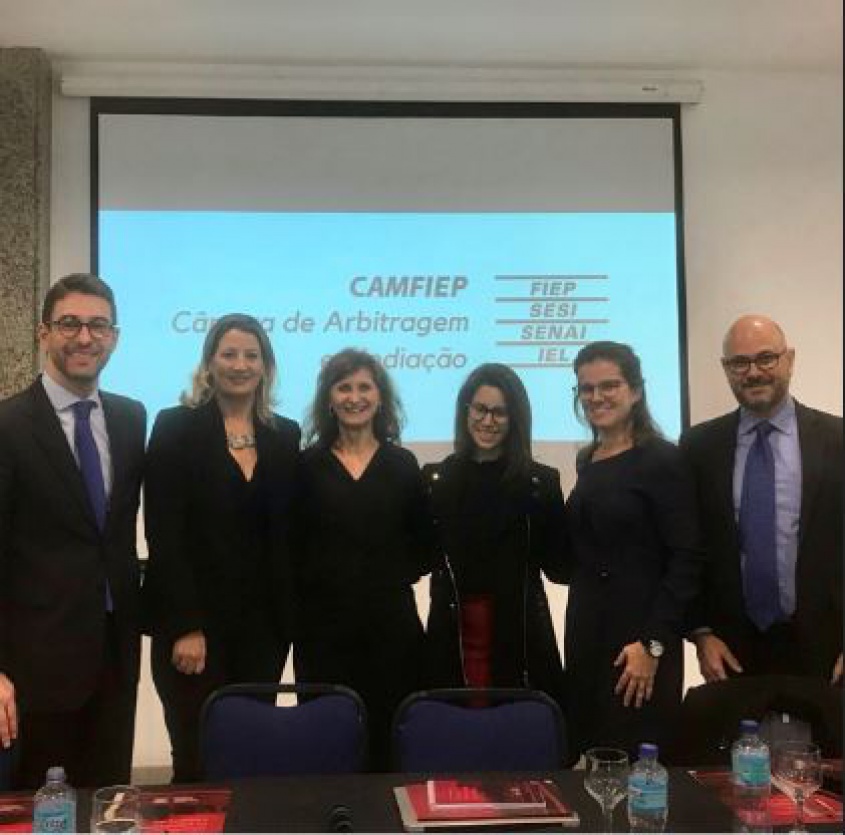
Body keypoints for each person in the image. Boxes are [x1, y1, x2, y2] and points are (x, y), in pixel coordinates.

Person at [0, 273, 146, 789]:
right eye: (69, 324)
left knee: (109, 801)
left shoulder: (131, 419)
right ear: (43, 333)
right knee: (43, 813)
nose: (84, 337)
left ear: (114, 337)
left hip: (116, 654)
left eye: (97, 325)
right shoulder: (9, 426)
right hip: (35, 665)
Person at [143, 314, 300, 782]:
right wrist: (186, 626)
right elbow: (164, 533)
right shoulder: (175, 427)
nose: (239, 364)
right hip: (195, 632)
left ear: (266, 366)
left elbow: (286, 533)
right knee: (196, 759)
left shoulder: (285, 434)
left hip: (263, 631)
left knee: (249, 753)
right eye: (229, 354)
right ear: (209, 362)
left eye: (251, 355)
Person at [680, 315, 843, 685]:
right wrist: (701, 633)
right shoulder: (698, 447)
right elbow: (688, 547)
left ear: (789, 359)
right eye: (739, 363)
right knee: (737, 744)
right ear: (726, 369)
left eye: (766, 358)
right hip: (731, 650)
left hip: (827, 646)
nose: (753, 372)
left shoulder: (838, 440)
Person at [563, 341, 703, 758]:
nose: (596, 397)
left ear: (636, 391)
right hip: (588, 633)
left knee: (637, 765)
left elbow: (687, 558)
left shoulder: (662, 460)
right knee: (590, 755)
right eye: (586, 389)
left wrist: (653, 644)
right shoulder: (588, 459)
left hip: (639, 647)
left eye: (609, 386)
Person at [293, 348, 428, 770]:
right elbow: (290, 547)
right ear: (329, 398)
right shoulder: (304, 466)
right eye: (343, 386)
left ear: (381, 397)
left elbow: (422, 547)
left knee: (391, 746)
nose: (355, 397)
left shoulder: (403, 465)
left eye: (364, 386)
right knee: (327, 744)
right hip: (323, 634)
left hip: (392, 630)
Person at [422, 363, 567, 706]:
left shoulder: (540, 483)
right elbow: (420, 556)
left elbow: (560, 567)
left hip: (520, 638)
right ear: (465, 411)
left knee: (517, 741)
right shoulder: (433, 481)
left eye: (500, 412)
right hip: (452, 635)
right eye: (481, 409)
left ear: (516, 418)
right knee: (453, 738)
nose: (488, 421)